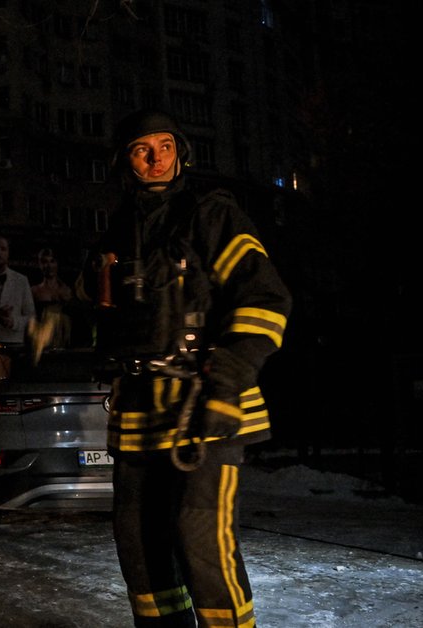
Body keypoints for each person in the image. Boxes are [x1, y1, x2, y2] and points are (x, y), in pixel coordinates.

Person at [92, 109, 292, 627]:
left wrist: (226, 385)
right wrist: (56, 321)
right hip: (138, 410)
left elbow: (265, 299)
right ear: (126, 162)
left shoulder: (211, 214)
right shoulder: (118, 231)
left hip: (205, 404)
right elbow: (104, 310)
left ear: (181, 151)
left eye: (164, 145)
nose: (156, 157)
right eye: (142, 149)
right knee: (138, 542)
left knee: (199, 537)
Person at [30, 247, 74, 349]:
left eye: (52, 261)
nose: (49, 266)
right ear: (40, 264)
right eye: (44, 262)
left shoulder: (67, 291)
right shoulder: (34, 291)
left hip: (64, 342)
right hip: (41, 341)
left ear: (57, 263)